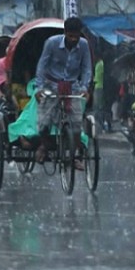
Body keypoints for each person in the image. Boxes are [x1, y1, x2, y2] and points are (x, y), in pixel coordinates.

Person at [34, 17, 92, 166]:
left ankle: (75, 156)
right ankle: (44, 146)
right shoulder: (52, 43)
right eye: (70, 36)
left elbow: (86, 68)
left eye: (76, 36)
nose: (73, 39)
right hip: (51, 84)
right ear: (65, 33)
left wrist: (85, 87)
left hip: (73, 86)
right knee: (44, 122)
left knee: (77, 122)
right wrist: (39, 88)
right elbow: (42, 65)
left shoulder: (84, 45)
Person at [92, 53, 105, 132]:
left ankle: (101, 125)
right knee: (97, 107)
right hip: (98, 86)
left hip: (99, 87)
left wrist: (93, 80)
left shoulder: (100, 64)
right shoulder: (99, 64)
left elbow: (98, 78)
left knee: (97, 107)